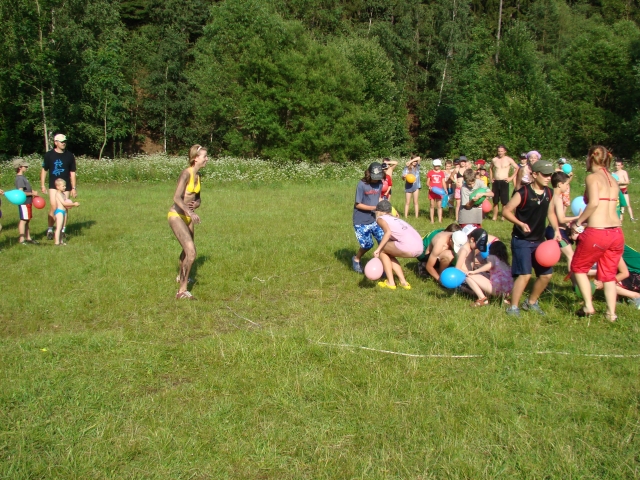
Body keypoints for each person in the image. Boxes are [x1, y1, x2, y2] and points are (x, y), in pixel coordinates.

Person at [570, 145, 624, 321]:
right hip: (616, 232)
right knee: (609, 274)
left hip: (598, 232)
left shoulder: (592, 177)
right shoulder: (613, 179)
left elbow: (593, 203)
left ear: (590, 158)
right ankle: (611, 313)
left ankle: (588, 306)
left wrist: (578, 222)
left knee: (578, 267)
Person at [503, 160, 562, 317]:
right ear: (534, 175)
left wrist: (556, 229)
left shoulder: (549, 193)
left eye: (550, 175)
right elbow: (506, 211)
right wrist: (520, 223)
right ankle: (513, 307)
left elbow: (550, 213)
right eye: (545, 175)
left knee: (546, 275)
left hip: (539, 241)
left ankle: (531, 302)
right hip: (521, 240)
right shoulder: (523, 193)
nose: (548, 178)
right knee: (525, 275)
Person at [168, 145, 208, 300]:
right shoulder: (186, 174)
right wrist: (190, 212)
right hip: (176, 215)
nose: (207, 159)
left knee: (187, 250)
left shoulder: (198, 176)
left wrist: (196, 204)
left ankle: (181, 276)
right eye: (204, 156)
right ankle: (182, 291)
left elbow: (197, 198)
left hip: (187, 217)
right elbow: (176, 198)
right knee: (191, 252)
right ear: (195, 158)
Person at [373, 200, 423, 290]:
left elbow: (388, 233)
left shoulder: (380, 218)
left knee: (382, 251)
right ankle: (403, 282)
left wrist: (378, 249)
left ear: (379, 211)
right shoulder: (396, 219)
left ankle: (391, 282)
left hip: (409, 247)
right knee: (388, 253)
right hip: (420, 247)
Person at [41, 133, 77, 241]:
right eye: (61, 142)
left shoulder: (70, 156)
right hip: (53, 185)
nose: (63, 143)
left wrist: (74, 188)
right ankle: (50, 229)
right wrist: (42, 185)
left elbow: (72, 172)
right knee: (54, 206)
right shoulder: (49, 155)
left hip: (66, 186)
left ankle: (62, 230)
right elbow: (44, 170)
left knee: (65, 207)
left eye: (65, 141)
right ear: (55, 142)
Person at [352, 162, 385, 273]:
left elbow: (378, 197)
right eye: (375, 177)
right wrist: (374, 208)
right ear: (369, 174)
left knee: (383, 242)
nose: (376, 180)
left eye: (378, 177)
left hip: (374, 219)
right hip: (361, 220)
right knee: (367, 245)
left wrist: (386, 208)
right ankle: (356, 259)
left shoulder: (380, 183)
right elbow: (358, 204)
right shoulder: (362, 184)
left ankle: (384, 266)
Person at [545, 172, 579, 270]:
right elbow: (561, 218)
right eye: (567, 184)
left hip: (552, 229)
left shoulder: (550, 195)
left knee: (555, 256)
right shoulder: (558, 198)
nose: (567, 186)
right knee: (570, 255)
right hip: (557, 232)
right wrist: (577, 217)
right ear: (560, 184)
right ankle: (573, 279)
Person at [466, 240, 514, 306]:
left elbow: (489, 266)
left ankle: (482, 298)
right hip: (507, 292)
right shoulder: (506, 263)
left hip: (496, 290)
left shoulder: (493, 257)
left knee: (468, 277)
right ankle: (504, 299)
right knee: (485, 275)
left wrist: (474, 271)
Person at [490, 145, 519, 221]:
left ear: (505, 151)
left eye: (501, 151)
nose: (500, 152)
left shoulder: (508, 159)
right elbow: (490, 168)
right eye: (499, 151)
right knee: (495, 201)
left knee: (504, 201)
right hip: (496, 181)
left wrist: (511, 178)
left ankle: (503, 216)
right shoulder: (494, 159)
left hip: (504, 181)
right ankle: (494, 216)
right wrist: (491, 177)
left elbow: (517, 168)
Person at [14, 159, 40, 245]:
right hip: (24, 203)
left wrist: (32, 191)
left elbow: (26, 189)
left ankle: (28, 238)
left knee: (27, 220)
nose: (27, 167)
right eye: (25, 166)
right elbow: (21, 193)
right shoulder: (19, 179)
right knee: (23, 220)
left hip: (28, 202)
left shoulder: (23, 177)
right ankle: (22, 239)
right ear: (20, 167)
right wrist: (32, 194)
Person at [53, 179, 79, 246]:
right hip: (59, 212)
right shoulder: (58, 194)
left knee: (62, 228)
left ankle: (61, 241)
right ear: (57, 187)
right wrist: (74, 204)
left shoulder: (63, 194)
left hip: (63, 211)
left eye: (65, 186)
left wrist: (70, 203)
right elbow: (64, 203)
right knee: (58, 227)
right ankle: (57, 242)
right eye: (63, 186)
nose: (65, 187)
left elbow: (66, 202)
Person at [427, 159, 445, 223]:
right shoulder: (430, 172)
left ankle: (440, 220)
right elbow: (427, 182)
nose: (437, 167)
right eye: (436, 166)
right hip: (432, 191)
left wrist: (445, 189)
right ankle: (432, 220)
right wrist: (429, 186)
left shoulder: (441, 173)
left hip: (439, 191)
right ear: (433, 165)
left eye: (438, 166)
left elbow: (443, 182)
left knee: (439, 206)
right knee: (432, 205)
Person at [453, 156, 468, 222]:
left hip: (466, 188)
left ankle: (465, 217)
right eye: (461, 161)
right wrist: (456, 182)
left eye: (464, 161)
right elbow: (451, 176)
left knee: (466, 203)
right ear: (459, 162)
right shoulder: (457, 169)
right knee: (458, 204)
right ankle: (457, 218)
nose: (463, 163)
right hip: (458, 188)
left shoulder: (467, 170)